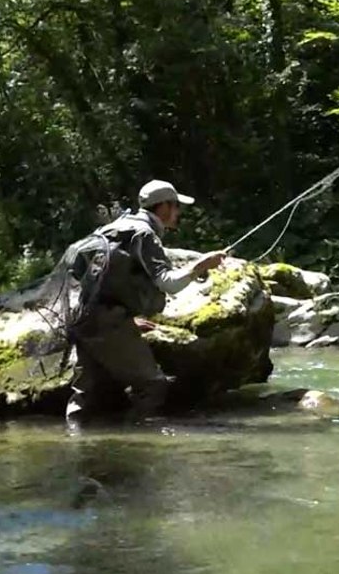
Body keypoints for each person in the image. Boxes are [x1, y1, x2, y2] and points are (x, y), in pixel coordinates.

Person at [64, 179, 227, 421]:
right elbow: (168, 283)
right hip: (109, 322)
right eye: (175, 206)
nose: (178, 212)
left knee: (86, 393)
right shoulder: (145, 234)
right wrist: (200, 266)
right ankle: (137, 444)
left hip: (84, 318)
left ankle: (78, 444)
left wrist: (126, 319)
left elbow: (95, 278)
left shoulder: (114, 228)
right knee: (152, 386)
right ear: (162, 207)